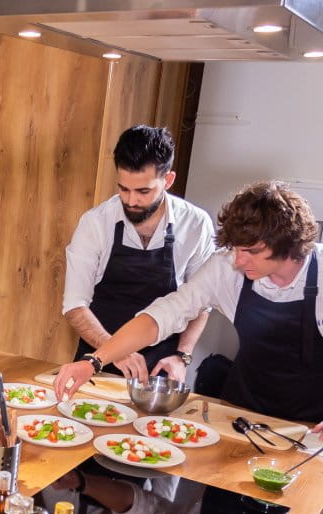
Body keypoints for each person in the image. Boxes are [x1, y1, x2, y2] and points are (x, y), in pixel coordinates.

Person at [54, 180, 323, 435]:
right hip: (241, 412)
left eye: (251, 251)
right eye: (236, 248)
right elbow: (162, 316)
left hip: (311, 422)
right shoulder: (225, 268)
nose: (239, 261)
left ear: (287, 244)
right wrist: (95, 360)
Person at [63, 126, 216, 382]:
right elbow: (74, 306)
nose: (131, 201)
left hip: (160, 368)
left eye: (143, 191)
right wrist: (114, 351)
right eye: (123, 189)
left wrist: (182, 356)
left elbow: (202, 302)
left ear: (168, 180)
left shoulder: (196, 224)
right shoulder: (95, 223)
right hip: (97, 360)